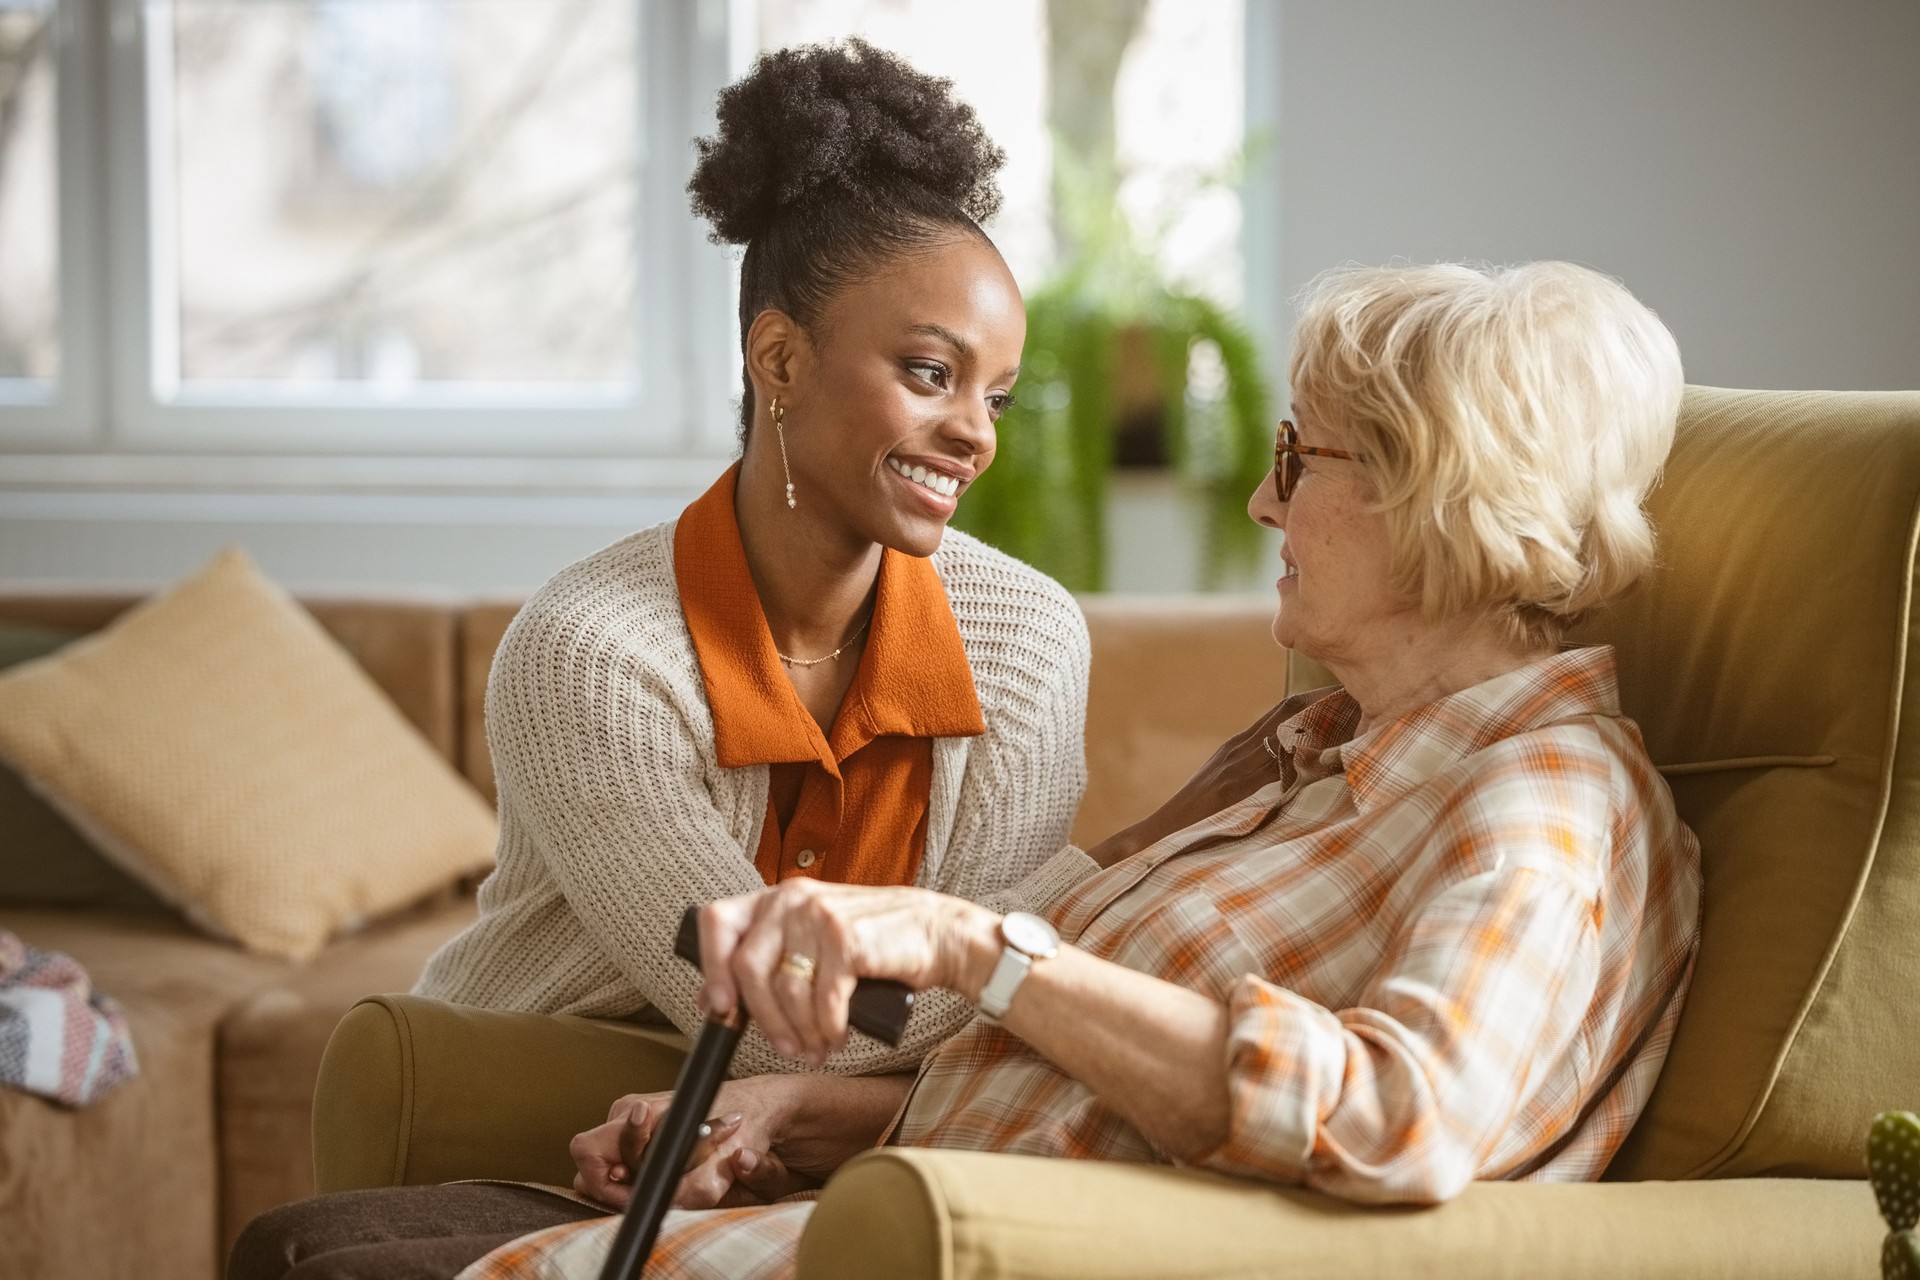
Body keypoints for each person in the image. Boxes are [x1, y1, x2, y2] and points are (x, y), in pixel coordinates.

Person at [462, 259, 1704, 1280]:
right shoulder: (1325, 763)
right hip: (898, 1217)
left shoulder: (1539, 801)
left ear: (1433, 492)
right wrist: (816, 1119)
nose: (1266, 508)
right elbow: (1108, 1113)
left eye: (1298, 460)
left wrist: (976, 945)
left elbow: (1396, 1117)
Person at [229, 40, 1092, 1280]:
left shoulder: (1028, 641)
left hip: (847, 1140)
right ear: (780, 360)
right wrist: (1066, 908)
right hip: (554, 1100)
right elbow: (801, 1015)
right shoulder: (592, 652)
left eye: (996, 396)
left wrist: (1019, 948)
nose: (973, 434)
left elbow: (972, 992)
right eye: (929, 373)